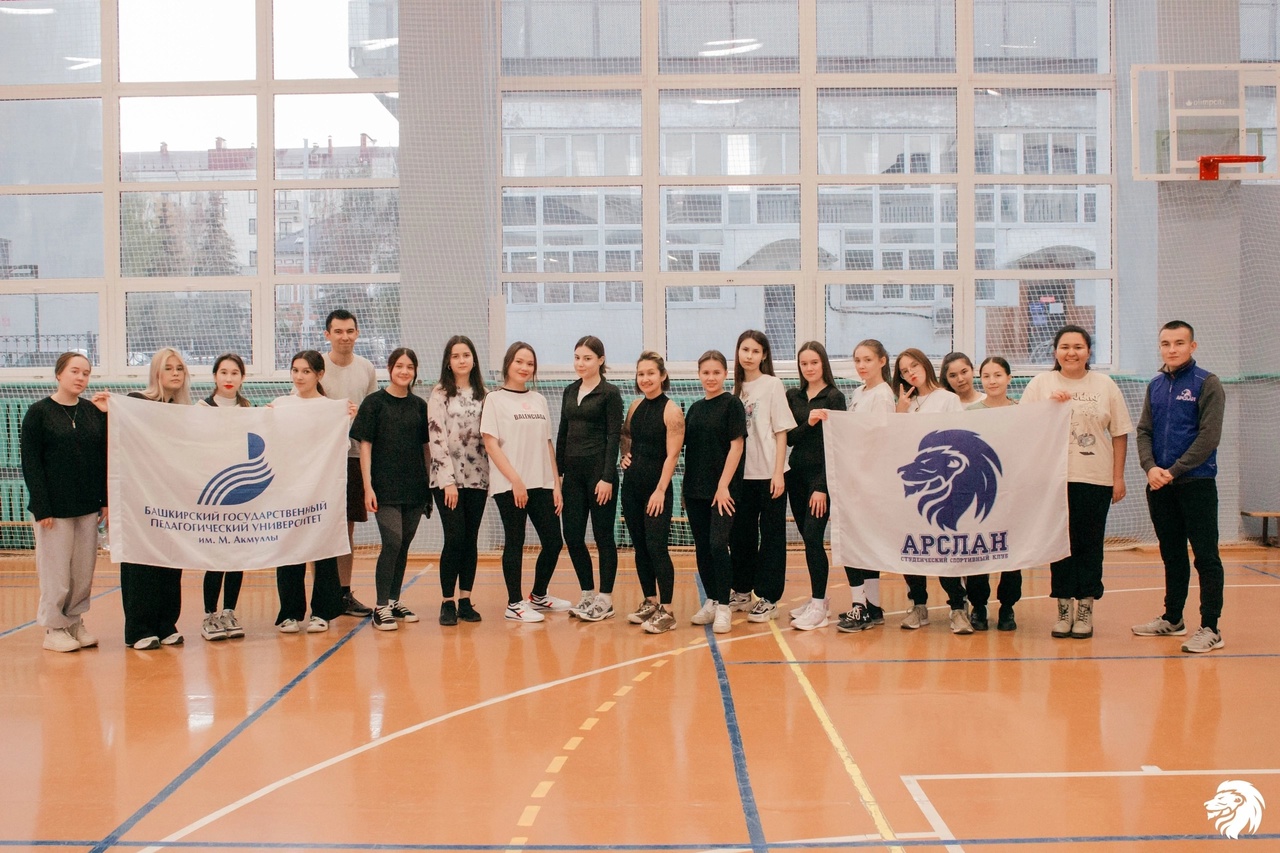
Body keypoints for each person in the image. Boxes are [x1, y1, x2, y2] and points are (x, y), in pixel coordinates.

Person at [1022, 325, 1132, 639]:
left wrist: (1118, 477)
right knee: (1060, 545)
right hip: (1054, 481)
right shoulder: (1041, 384)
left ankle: (1085, 607)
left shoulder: (1105, 385)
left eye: (1078, 347)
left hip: (1094, 478)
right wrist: (1048, 407)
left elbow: (1120, 433)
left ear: (1088, 352)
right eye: (1065, 347)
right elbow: (1023, 427)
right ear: (1055, 352)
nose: (1072, 353)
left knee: (1089, 544)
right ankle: (1063, 608)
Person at [1131, 321, 1226, 654]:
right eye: (1166, 343)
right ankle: (1173, 618)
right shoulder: (1155, 385)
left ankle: (1211, 627)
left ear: (1192, 346)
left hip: (1196, 483)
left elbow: (1209, 437)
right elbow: (1144, 431)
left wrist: (1173, 471)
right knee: (1172, 555)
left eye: (1179, 343)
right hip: (1160, 485)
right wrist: (1150, 468)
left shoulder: (1207, 383)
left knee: (1206, 557)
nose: (1172, 349)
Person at [21, 352, 109, 653]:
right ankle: (54, 628)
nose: (81, 377)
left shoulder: (92, 412)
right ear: (59, 374)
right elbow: (31, 463)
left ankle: (74, 622)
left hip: (86, 507)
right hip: (54, 510)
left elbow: (103, 457)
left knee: (82, 573)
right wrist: (41, 506)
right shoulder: (38, 413)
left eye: (86, 373)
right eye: (75, 371)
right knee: (56, 573)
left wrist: (104, 500)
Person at [481, 342, 567, 623]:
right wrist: (516, 480)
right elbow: (491, 444)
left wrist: (556, 484)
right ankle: (514, 604)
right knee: (515, 541)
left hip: (541, 483)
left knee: (553, 542)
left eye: (530, 363)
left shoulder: (539, 399)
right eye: (519, 361)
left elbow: (547, 444)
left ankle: (539, 595)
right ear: (508, 363)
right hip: (510, 485)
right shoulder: (494, 399)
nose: (524, 367)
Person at [273, 350, 356, 634]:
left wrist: (346, 417)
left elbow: (339, 446)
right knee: (289, 551)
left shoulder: (332, 408)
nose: (299, 376)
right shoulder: (280, 405)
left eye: (306, 371)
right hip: (288, 491)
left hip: (321, 490)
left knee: (323, 549)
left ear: (319, 374)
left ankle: (322, 611)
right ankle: (289, 613)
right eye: (295, 370)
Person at [352, 348, 431, 631]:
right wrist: (368, 487)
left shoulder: (420, 406)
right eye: (399, 366)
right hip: (384, 487)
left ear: (415, 371)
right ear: (389, 368)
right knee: (393, 541)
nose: (404, 371)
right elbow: (365, 446)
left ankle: (394, 600)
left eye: (410, 367)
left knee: (404, 543)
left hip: (414, 487)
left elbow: (426, 448)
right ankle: (380, 606)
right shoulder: (374, 403)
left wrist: (428, 484)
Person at [893, 348, 971, 634]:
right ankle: (918, 605)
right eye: (904, 371)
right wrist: (900, 411)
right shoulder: (905, 402)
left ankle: (958, 608)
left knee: (943, 547)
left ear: (925, 364)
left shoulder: (947, 399)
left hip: (943, 488)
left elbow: (959, 439)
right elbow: (894, 442)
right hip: (913, 490)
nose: (910, 373)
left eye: (914, 366)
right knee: (911, 548)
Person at [119, 348, 190, 650]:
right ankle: (139, 629)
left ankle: (165, 624)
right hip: (139, 499)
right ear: (156, 373)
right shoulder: (136, 402)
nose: (175, 373)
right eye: (168, 368)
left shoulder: (184, 411)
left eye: (179, 368)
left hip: (171, 499)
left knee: (171, 561)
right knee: (141, 564)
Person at [730, 330, 796, 622]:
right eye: (745, 349)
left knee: (771, 537)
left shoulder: (772, 385)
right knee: (740, 535)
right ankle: (742, 591)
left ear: (764, 355)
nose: (749, 356)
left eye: (755, 351)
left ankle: (768, 598)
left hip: (770, 475)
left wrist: (777, 472)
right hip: (741, 477)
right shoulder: (735, 390)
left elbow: (781, 432)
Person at [556, 336, 623, 622]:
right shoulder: (570, 390)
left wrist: (607, 477)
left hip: (599, 475)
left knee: (603, 535)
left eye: (587, 358)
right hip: (572, 476)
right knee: (572, 535)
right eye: (577, 358)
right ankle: (587, 592)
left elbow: (613, 437)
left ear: (600, 360)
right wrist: (558, 474)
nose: (580, 363)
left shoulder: (610, 394)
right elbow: (562, 433)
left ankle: (605, 599)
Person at [830, 339, 894, 633]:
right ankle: (872, 606)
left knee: (855, 542)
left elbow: (878, 438)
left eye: (867, 359)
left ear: (882, 361)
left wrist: (860, 471)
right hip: (854, 477)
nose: (861, 365)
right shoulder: (859, 392)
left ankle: (860, 606)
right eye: (857, 360)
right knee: (860, 541)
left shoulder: (882, 395)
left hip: (867, 479)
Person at [620, 352, 685, 633]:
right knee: (640, 546)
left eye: (650, 373)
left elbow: (672, 456)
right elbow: (626, 435)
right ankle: (650, 601)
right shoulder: (635, 406)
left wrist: (660, 490)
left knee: (656, 547)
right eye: (641, 374)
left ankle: (667, 610)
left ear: (662, 376)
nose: (645, 379)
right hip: (631, 487)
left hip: (656, 490)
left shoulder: (672, 411)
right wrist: (624, 455)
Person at [785, 342, 847, 631]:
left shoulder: (834, 397)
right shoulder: (793, 396)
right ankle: (816, 599)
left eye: (814, 362)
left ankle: (819, 606)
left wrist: (822, 486)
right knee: (807, 539)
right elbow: (789, 438)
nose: (809, 368)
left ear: (823, 364)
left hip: (820, 479)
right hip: (795, 476)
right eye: (804, 363)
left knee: (813, 537)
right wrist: (808, 423)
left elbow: (836, 444)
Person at [320, 309, 378, 618]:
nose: (345, 337)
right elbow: (303, 405)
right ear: (327, 334)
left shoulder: (366, 368)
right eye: (338, 331)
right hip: (321, 460)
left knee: (347, 528)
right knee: (320, 527)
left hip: (354, 457)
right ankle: (321, 597)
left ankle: (343, 593)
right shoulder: (316, 365)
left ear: (357, 333)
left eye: (350, 331)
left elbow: (372, 413)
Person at [428, 335, 488, 625]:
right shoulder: (439, 394)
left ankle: (465, 599)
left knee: (470, 539)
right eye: (456, 356)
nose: (461, 360)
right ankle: (447, 601)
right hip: (447, 480)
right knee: (454, 538)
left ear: (473, 360)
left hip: (478, 478)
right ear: (448, 362)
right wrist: (448, 481)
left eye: (466, 355)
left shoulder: (485, 394)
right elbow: (436, 437)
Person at [684, 351, 745, 635]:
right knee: (702, 547)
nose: (711, 377)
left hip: (723, 491)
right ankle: (711, 599)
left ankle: (723, 606)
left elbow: (737, 446)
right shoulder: (695, 409)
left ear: (725, 374)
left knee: (718, 545)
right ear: (699, 375)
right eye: (706, 372)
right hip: (694, 489)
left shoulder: (732, 404)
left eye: (716, 372)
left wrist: (723, 486)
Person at [196, 353, 252, 641]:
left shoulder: (249, 410)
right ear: (215, 376)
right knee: (215, 556)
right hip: (212, 492)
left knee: (236, 555)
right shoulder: (201, 408)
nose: (229, 378)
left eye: (234, 373)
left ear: (242, 378)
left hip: (240, 493)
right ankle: (210, 615)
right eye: (224, 373)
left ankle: (229, 611)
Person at [963, 356, 1022, 631]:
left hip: (1013, 491)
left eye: (998, 375)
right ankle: (979, 606)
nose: (992, 381)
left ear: (1009, 378)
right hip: (983, 491)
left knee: (1012, 551)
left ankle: (1008, 607)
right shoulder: (971, 412)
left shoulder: (1023, 411)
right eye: (986, 376)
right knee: (979, 549)